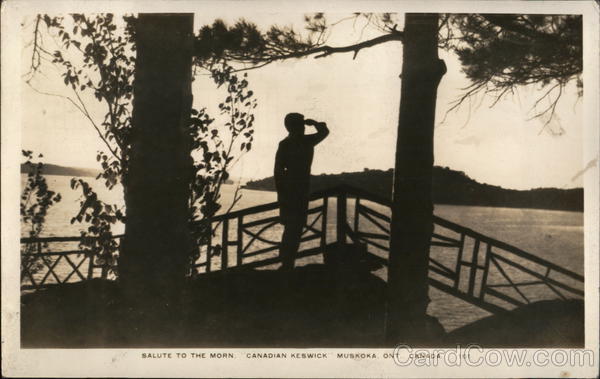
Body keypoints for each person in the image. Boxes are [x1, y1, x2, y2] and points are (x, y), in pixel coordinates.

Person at [275, 112, 329, 271]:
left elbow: (278, 172)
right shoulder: (305, 142)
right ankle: (287, 263)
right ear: (293, 126)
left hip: (291, 191)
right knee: (295, 227)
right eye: (301, 124)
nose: (303, 128)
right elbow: (324, 132)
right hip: (298, 190)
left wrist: (281, 194)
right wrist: (315, 123)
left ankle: (287, 263)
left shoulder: (288, 143)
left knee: (292, 228)